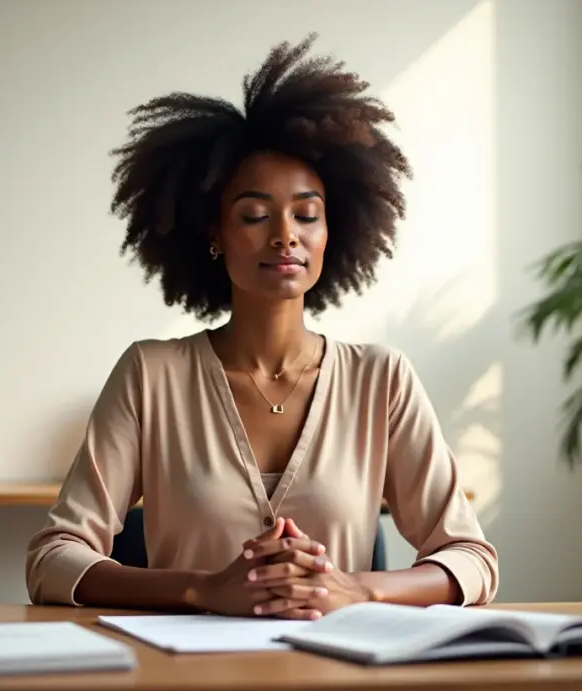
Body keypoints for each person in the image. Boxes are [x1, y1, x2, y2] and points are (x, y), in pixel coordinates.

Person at [25, 34, 499, 619]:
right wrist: (200, 589)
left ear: (334, 232)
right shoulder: (152, 374)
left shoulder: (382, 379)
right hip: (184, 675)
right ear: (214, 235)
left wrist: (358, 588)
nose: (285, 235)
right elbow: (53, 558)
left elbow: (472, 558)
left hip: (339, 677)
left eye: (307, 215)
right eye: (254, 215)